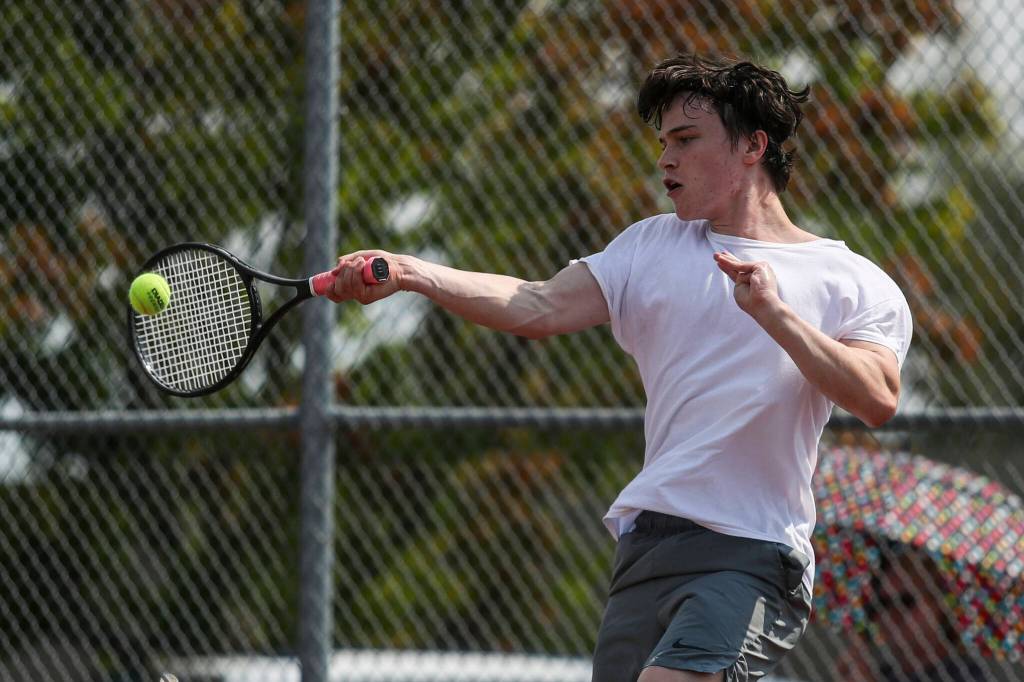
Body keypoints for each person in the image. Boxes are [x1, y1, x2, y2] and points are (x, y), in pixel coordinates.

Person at [327, 53, 913, 682]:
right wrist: (413, 271)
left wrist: (775, 315)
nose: (666, 159)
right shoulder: (650, 245)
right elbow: (538, 303)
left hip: (751, 550)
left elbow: (878, 396)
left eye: (686, 140)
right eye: (663, 143)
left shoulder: (850, 281)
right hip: (647, 549)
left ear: (753, 145)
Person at [833, 547, 986, 681]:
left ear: (938, 604)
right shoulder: (881, 674)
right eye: (883, 603)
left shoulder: (966, 675)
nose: (891, 614)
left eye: (905, 601)